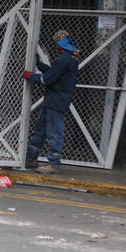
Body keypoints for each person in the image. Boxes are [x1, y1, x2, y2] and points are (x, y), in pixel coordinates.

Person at [22, 30, 79, 174]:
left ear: (59, 45)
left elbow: (48, 78)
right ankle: (31, 158)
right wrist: (40, 65)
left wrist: (31, 76)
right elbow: (54, 72)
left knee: (54, 131)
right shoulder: (70, 58)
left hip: (56, 99)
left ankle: (53, 163)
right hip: (56, 99)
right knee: (41, 129)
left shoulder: (62, 60)